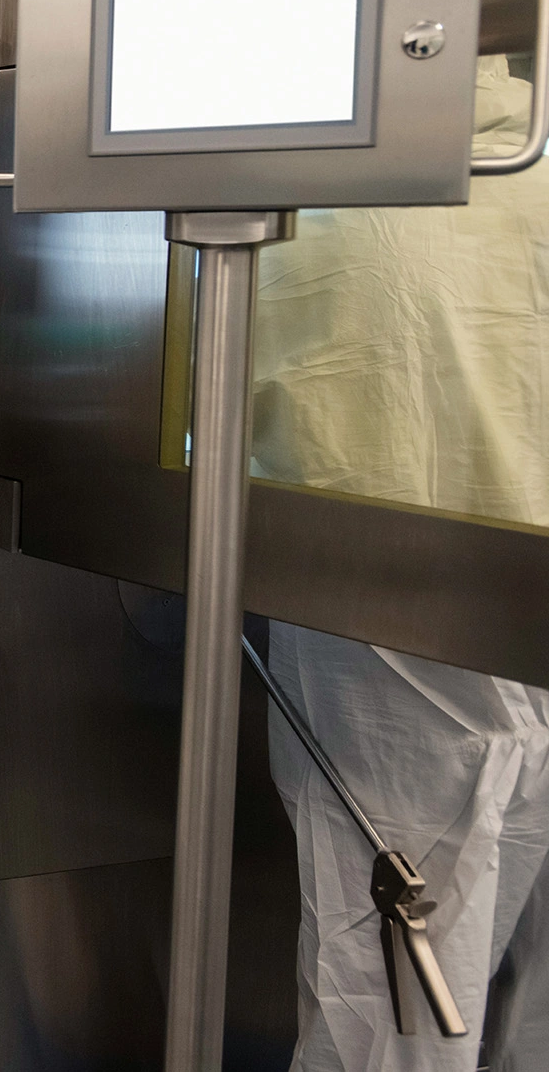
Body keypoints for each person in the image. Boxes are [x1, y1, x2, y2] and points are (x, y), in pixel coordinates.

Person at [253, 55, 549, 1072]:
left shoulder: (333, 195)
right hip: (521, 623)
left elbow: (215, 403)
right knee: (507, 1000)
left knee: (386, 1014)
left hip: (391, 651)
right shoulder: (533, 164)